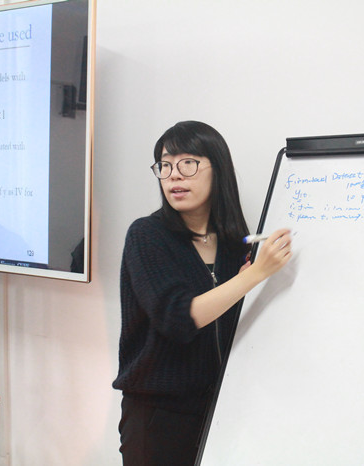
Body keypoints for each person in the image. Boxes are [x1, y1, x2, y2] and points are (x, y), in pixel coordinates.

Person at [112, 121, 292, 465]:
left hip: (222, 407)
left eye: (188, 163)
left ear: (217, 169)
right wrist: (256, 274)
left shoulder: (234, 240)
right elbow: (176, 317)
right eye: (165, 165)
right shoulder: (146, 235)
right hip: (157, 414)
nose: (174, 176)